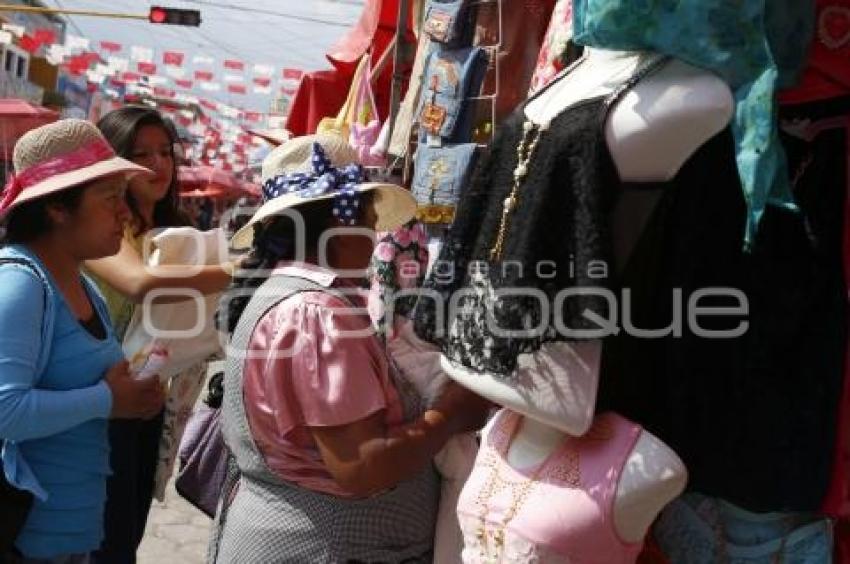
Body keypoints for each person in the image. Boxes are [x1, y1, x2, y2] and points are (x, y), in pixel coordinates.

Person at [209, 135, 491, 562]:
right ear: (341, 224)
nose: (377, 229)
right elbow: (361, 467)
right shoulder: (319, 315)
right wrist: (448, 416)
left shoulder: (281, 293)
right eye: (369, 213)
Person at [0, 119, 165, 563]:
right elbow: (5, 412)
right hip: (24, 541)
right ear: (57, 208)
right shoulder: (21, 283)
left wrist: (133, 390)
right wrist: (108, 401)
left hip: (73, 539)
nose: (125, 213)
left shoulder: (84, 286)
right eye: (110, 198)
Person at [84, 106, 235, 564]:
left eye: (165, 152)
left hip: (152, 407)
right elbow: (139, 282)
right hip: (97, 408)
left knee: (125, 537)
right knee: (102, 544)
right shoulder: (101, 230)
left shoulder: (180, 235)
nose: (158, 165)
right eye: (141, 154)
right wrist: (240, 271)